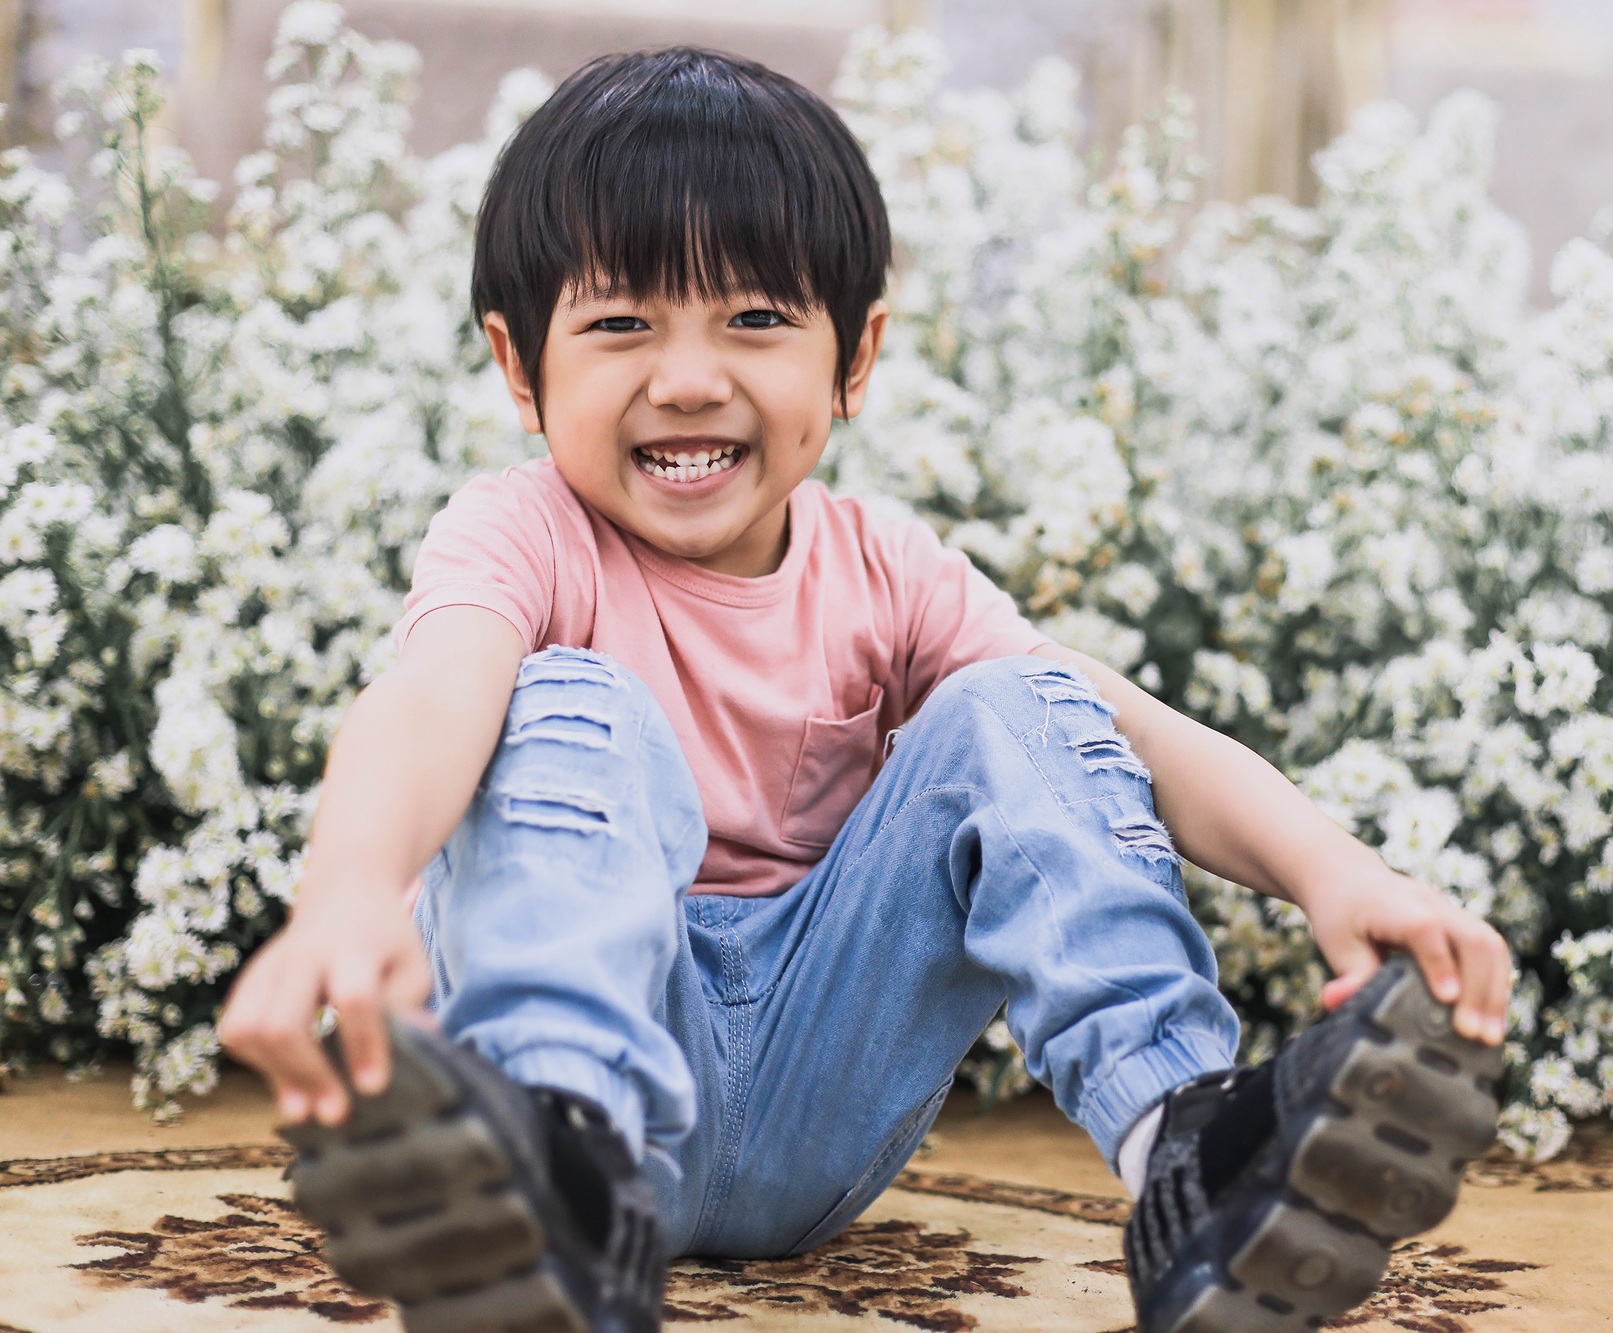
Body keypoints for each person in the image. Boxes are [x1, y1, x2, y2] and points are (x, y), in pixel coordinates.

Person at [217, 46, 1512, 1333]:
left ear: (856, 356)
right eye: (620, 324)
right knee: (565, 703)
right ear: (519, 365)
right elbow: (432, 697)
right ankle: (553, 1170)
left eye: (755, 319)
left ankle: (1189, 1145)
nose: (688, 377)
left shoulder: (886, 572)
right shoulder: (521, 535)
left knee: (1024, 705)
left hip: (821, 1097)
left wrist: (1339, 874)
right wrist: (348, 891)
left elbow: (1129, 738)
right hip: (585, 1091)